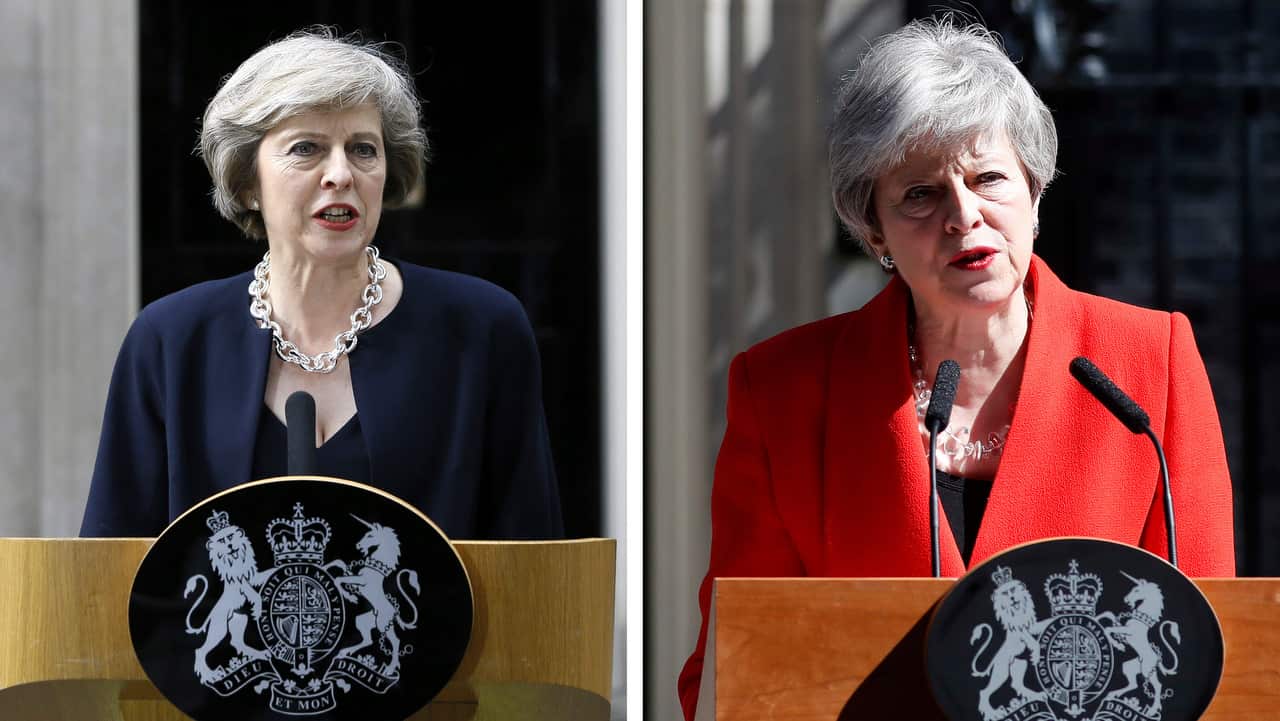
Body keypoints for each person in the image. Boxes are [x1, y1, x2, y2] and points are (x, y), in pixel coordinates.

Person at [678, 18, 1234, 719]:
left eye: (988, 178)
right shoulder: (784, 391)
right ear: (874, 228)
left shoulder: (1149, 366)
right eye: (921, 194)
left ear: (1033, 191)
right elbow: (733, 670)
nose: (964, 216)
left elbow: (1219, 650)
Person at [80, 29, 563, 540]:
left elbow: (531, 573)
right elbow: (109, 571)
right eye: (306, 148)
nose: (341, 173)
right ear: (248, 184)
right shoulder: (170, 340)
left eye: (362, 149)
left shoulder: (482, 330)